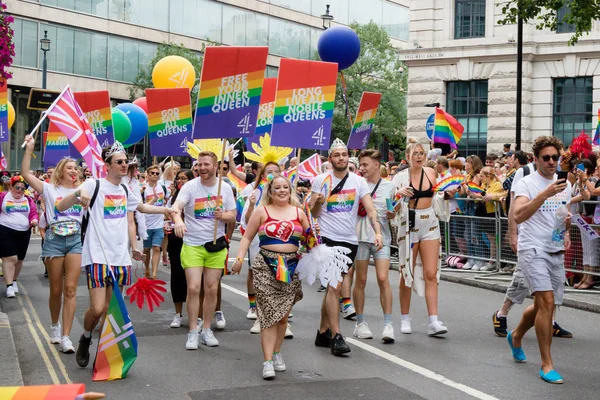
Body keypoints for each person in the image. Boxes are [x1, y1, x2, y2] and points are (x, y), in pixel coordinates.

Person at [57, 141, 171, 368]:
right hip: (98, 255)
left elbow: (140, 209)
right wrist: (78, 193)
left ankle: (106, 354)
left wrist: (167, 210)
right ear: (107, 164)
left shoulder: (127, 189)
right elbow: (61, 206)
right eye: (119, 161)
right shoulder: (93, 184)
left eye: (125, 161)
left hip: (121, 257)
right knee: (97, 309)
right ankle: (86, 337)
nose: (124, 165)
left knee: (111, 312)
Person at [231, 175, 308, 379]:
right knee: (267, 315)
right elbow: (247, 236)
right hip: (266, 264)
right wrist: (239, 258)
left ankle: (276, 353)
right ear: (270, 191)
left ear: (290, 190)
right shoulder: (262, 211)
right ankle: (267, 361)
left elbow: (310, 240)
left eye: (285, 187)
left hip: (291, 266)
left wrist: (314, 236)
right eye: (277, 187)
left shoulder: (299, 212)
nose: (282, 190)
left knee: (282, 317)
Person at [310, 138, 382, 356]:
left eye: (344, 155)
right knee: (335, 287)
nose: (340, 158)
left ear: (347, 157)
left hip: (349, 241)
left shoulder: (358, 182)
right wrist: (319, 202)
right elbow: (313, 213)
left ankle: (323, 332)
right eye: (336, 155)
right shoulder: (320, 180)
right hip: (327, 239)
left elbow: (370, 210)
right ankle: (337, 336)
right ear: (330, 158)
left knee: (334, 286)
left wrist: (377, 231)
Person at [508, 136, 571, 384]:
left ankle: (515, 335)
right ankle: (547, 364)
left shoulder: (561, 183)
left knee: (546, 304)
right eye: (546, 158)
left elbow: (562, 213)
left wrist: (565, 231)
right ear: (536, 159)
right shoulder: (526, 183)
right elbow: (520, 214)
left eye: (556, 157)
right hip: (532, 249)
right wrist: (543, 194)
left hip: (554, 249)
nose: (552, 162)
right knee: (545, 301)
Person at [22, 136, 83, 353]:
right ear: (60, 170)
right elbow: (26, 175)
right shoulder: (49, 189)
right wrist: (29, 150)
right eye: (69, 167)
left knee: (70, 289)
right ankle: (55, 326)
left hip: (75, 240)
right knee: (56, 290)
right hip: (54, 242)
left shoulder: (83, 190)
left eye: (76, 167)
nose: (73, 171)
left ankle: (66, 337)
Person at [171, 151, 236, 350]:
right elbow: (176, 208)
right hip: (192, 244)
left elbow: (233, 215)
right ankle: (193, 331)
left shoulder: (224, 188)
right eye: (200, 164)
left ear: (216, 166)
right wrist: (179, 221)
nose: (202, 168)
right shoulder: (190, 187)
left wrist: (223, 215)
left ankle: (207, 329)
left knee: (211, 289)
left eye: (206, 164)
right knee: (193, 288)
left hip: (215, 246)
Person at [393, 143, 449, 336]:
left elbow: (438, 197)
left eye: (421, 153)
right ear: (408, 156)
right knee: (406, 273)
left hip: (429, 222)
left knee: (431, 273)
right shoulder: (400, 177)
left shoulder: (431, 173)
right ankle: (404, 317)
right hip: (409, 224)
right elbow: (390, 208)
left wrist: (447, 194)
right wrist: (399, 195)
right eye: (414, 153)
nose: (418, 156)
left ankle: (433, 320)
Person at [353, 150, 396, 342]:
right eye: (360, 165)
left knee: (382, 277)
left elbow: (394, 212)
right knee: (360, 280)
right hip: (360, 238)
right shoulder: (355, 185)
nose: (362, 168)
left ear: (377, 165)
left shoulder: (389, 186)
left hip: (382, 238)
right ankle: (360, 322)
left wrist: (393, 214)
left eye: (365, 164)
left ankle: (388, 324)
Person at [241, 162, 282, 334]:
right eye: (269, 171)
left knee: (281, 280)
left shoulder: (286, 192)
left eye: (276, 171)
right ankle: (260, 316)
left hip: (282, 245)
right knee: (260, 279)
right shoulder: (256, 193)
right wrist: (251, 205)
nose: (272, 174)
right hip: (260, 243)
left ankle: (281, 318)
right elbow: (247, 221)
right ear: (262, 174)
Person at [0, 176, 38, 298]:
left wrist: (34, 220)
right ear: (11, 186)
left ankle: (14, 280)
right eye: (17, 187)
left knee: (19, 259)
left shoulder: (28, 199)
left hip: (23, 232)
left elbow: (33, 213)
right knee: (11, 258)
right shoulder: (3, 197)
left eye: (23, 188)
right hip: (5, 230)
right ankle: (9, 286)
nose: (20, 190)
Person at [166, 169, 194, 328]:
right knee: (177, 276)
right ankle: (178, 313)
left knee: (193, 279)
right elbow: (168, 215)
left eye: (185, 178)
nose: (181, 181)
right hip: (176, 239)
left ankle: (196, 315)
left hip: (193, 239)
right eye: (179, 179)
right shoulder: (173, 198)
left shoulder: (196, 193)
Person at [471, 166, 507, 272]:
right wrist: (474, 196)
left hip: (494, 213)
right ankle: (493, 260)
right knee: (491, 238)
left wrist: (491, 196)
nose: (480, 178)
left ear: (488, 176)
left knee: (495, 239)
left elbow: (503, 193)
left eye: (482, 176)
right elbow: (482, 198)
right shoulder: (483, 185)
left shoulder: (496, 184)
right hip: (486, 213)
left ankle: (494, 261)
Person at [141, 165, 168, 279]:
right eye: (152, 173)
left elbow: (166, 203)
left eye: (157, 173)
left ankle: (154, 273)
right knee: (147, 249)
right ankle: (147, 269)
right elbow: (140, 207)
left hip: (158, 224)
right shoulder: (143, 189)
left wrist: (167, 216)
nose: (155, 175)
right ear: (147, 174)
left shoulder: (163, 188)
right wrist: (153, 200)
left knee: (157, 248)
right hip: (146, 224)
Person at [459, 155, 484, 270]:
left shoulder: (478, 176)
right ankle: (471, 258)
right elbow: (463, 193)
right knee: (467, 234)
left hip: (475, 206)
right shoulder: (466, 176)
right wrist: (460, 187)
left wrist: (466, 186)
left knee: (475, 235)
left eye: (468, 163)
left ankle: (480, 259)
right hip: (468, 207)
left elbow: (474, 191)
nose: (466, 165)